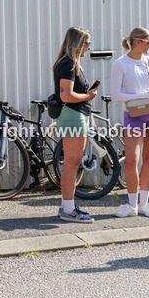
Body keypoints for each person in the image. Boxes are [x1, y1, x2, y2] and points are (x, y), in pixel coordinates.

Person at [110, 27, 149, 218]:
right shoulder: (121, 63)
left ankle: (145, 204)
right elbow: (115, 95)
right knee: (132, 160)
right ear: (137, 41)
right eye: (148, 42)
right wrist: (143, 95)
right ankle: (131, 205)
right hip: (134, 115)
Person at [53, 26, 98, 222]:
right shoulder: (68, 64)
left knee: (73, 163)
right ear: (78, 44)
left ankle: (67, 206)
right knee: (72, 163)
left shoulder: (71, 63)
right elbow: (66, 95)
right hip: (72, 116)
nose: (88, 47)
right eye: (87, 43)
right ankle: (68, 210)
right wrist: (88, 96)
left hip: (78, 115)